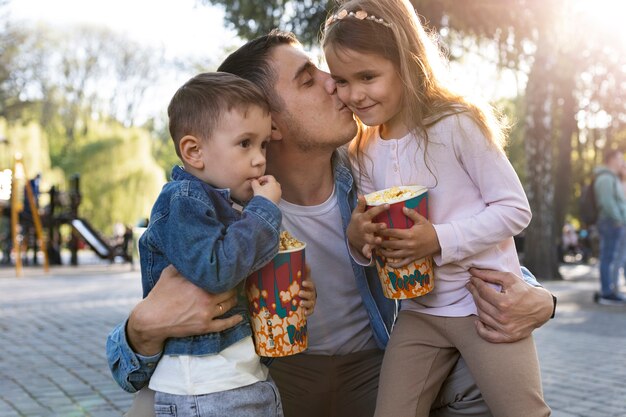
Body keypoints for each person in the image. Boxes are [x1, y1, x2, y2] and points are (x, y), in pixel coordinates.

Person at [106, 30, 556, 417]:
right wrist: (140, 331)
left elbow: (460, 230)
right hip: (276, 375)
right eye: (309, 80)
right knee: (150, 407)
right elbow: (133, 365)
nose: (335, 83)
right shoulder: (217, 205)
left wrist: (538, 296)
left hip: (373, 366)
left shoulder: (375, 170)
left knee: (477, 371)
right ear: (270, 122)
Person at [322, 1, 549, 416]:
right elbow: (378, 237)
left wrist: (438, 239)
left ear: (406, 62)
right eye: (341, 81)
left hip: (485, 307)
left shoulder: (457, 123)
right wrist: (359, 240)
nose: (354, 94)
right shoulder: (362, 148)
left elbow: (515, 209)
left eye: (368, 76)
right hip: (418, 313)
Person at [132, 72, 308, 416]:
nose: (259, 158)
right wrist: (263, 210)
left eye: (263, 146)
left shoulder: (225, 207)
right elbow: (215, 271)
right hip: (205, 389)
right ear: (194, 152)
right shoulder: (183, 202)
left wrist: (289, 293)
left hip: (240, 380)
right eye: (245, 144)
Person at [594, 147, 626, 304]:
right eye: (620, 158)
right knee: (608, 258)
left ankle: (609, 291)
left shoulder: (611, 178)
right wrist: (618, 218)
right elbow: (607, 202)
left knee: (612, 257)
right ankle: (607, 293)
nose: (622, 161)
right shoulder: (605, 178)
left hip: (613, 222)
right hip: (611, 222)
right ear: (612, 159)